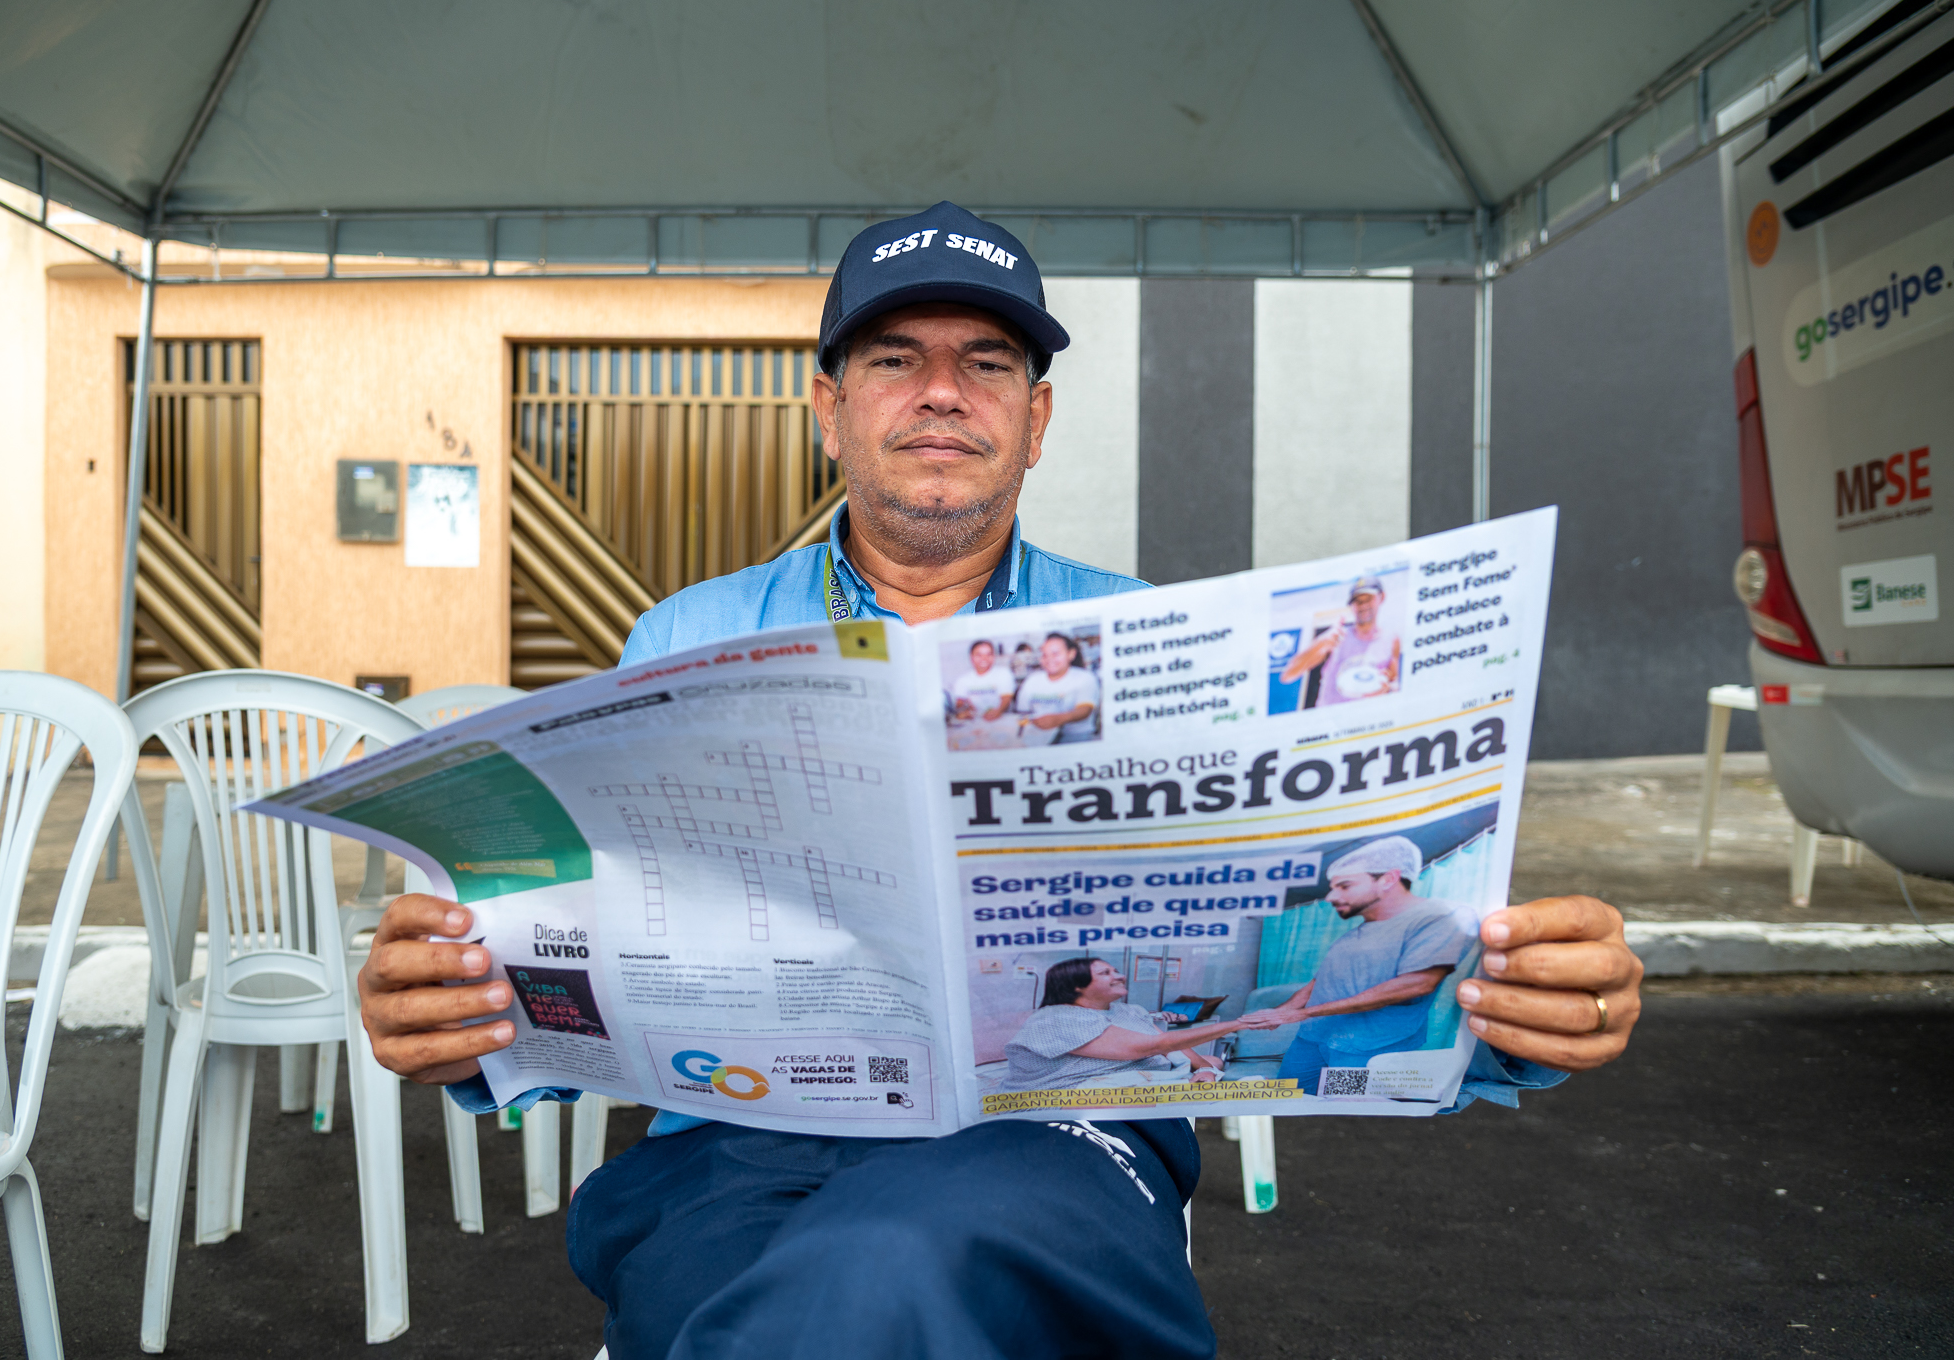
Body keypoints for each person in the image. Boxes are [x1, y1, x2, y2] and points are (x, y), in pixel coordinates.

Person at [355, 201, 1645, 1360]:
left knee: (891, 1266)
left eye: (986, 363)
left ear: (1034, 419)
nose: (940, 393)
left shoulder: (1154, 636)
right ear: (828, 407)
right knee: (778, 1287)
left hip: (1052, 1136)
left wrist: (1521, 1009)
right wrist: (460, 1009)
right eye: (892, 358)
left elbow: (1365, 996)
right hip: (738, 1143)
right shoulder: (680, 641)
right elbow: (580, 945)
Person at [1268, 836, 1477, 1095]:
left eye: (1344, 886)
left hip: (1367, 1048)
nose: (1331, 896)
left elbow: (1417, 983)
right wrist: (1278, 1013)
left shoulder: (1443, 917)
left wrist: (1304, 1013)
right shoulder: (1353, 936)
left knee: (1342, 1111)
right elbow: (1318, 982)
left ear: (1388, 879)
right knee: (1290, 1097)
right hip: (1313, 1039)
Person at [1002, 958, 1277, 1091]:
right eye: (1106, 973)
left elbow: (1172, 1049)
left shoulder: (1127, 1011)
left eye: (1115, 970)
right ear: (1076, 986)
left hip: (1154, 1071)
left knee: (1213, 1062)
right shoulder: (1054, 1019)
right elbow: (1152, 1046)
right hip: (1079, 1090)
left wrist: (1204, 1071)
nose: (1119, 976)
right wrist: (1238, 1023)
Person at [1281, 574, 1400, 706]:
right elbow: (1288, 675)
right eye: (1358, 601)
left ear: (1381, 597)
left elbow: (1396, 685)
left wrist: (1387, 689)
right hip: (1330, 722)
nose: (1363, 605)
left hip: (1366, 722)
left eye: (1369, 598)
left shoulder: (1391, 640)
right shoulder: (1336, 638)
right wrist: (1322, 643)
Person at [1014, 631, 1101, 743]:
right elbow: (1022, 712)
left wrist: (1057, 719)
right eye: (1044, 655)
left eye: (1055, 654)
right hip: (1039, 737)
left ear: (1071, 654)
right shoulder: (1032, 680)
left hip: (1075, 738)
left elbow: (1084, 710)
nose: (1049, 659)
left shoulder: (1085, 678)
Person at [948, 638, 1016, 722]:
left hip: (1002, 719)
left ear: (994, 656)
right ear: (971, 657)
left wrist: (998, 711)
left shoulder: (1003, 673)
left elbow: (1006, 698)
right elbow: (960, 703)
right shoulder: (963, 680)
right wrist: (963, 711)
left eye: (989, 654)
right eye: (979, 655)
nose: (984, 658)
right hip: (975, 722)